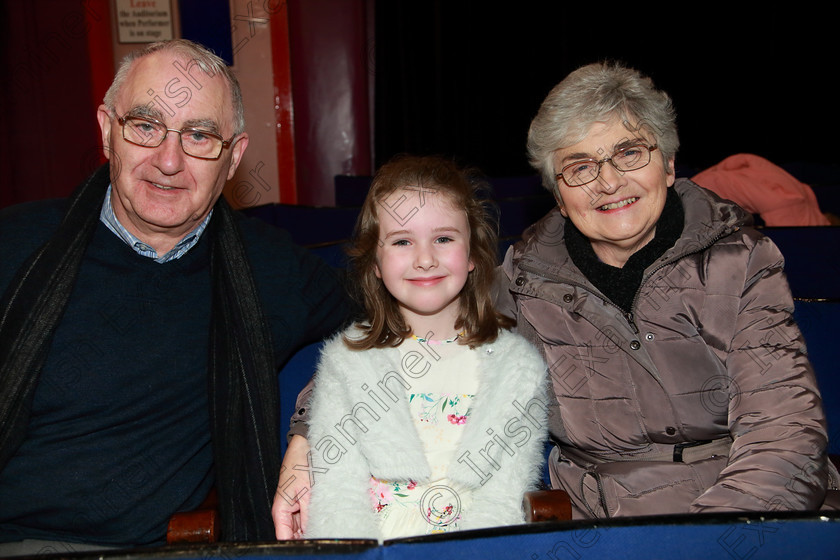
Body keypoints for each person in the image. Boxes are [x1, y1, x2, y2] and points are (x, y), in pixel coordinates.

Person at [0, 39, 350, 552]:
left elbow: (403, 317)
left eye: (200, 135)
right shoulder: (15, 246)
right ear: (106, 131)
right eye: (145, 125)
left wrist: (309, 430)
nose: (169, 160)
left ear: (233, 158)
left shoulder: (268, 269)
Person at [493, 61, 839, 518]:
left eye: (630, 153)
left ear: (669, 164)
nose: (609, 181)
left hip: (749, 509)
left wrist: (703, 541)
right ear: (559, 195)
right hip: (601, 525)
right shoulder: (523, 279)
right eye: (580, 166)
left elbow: (783, 434)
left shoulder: (741, 260)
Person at [286, 155, 548, 542]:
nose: (425, 259)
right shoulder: (348, 362)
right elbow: (337, 496)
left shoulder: (516, 367)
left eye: (443, 238)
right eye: (402, 241)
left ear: (473, 254)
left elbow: (505, 497)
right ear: (375, 261)